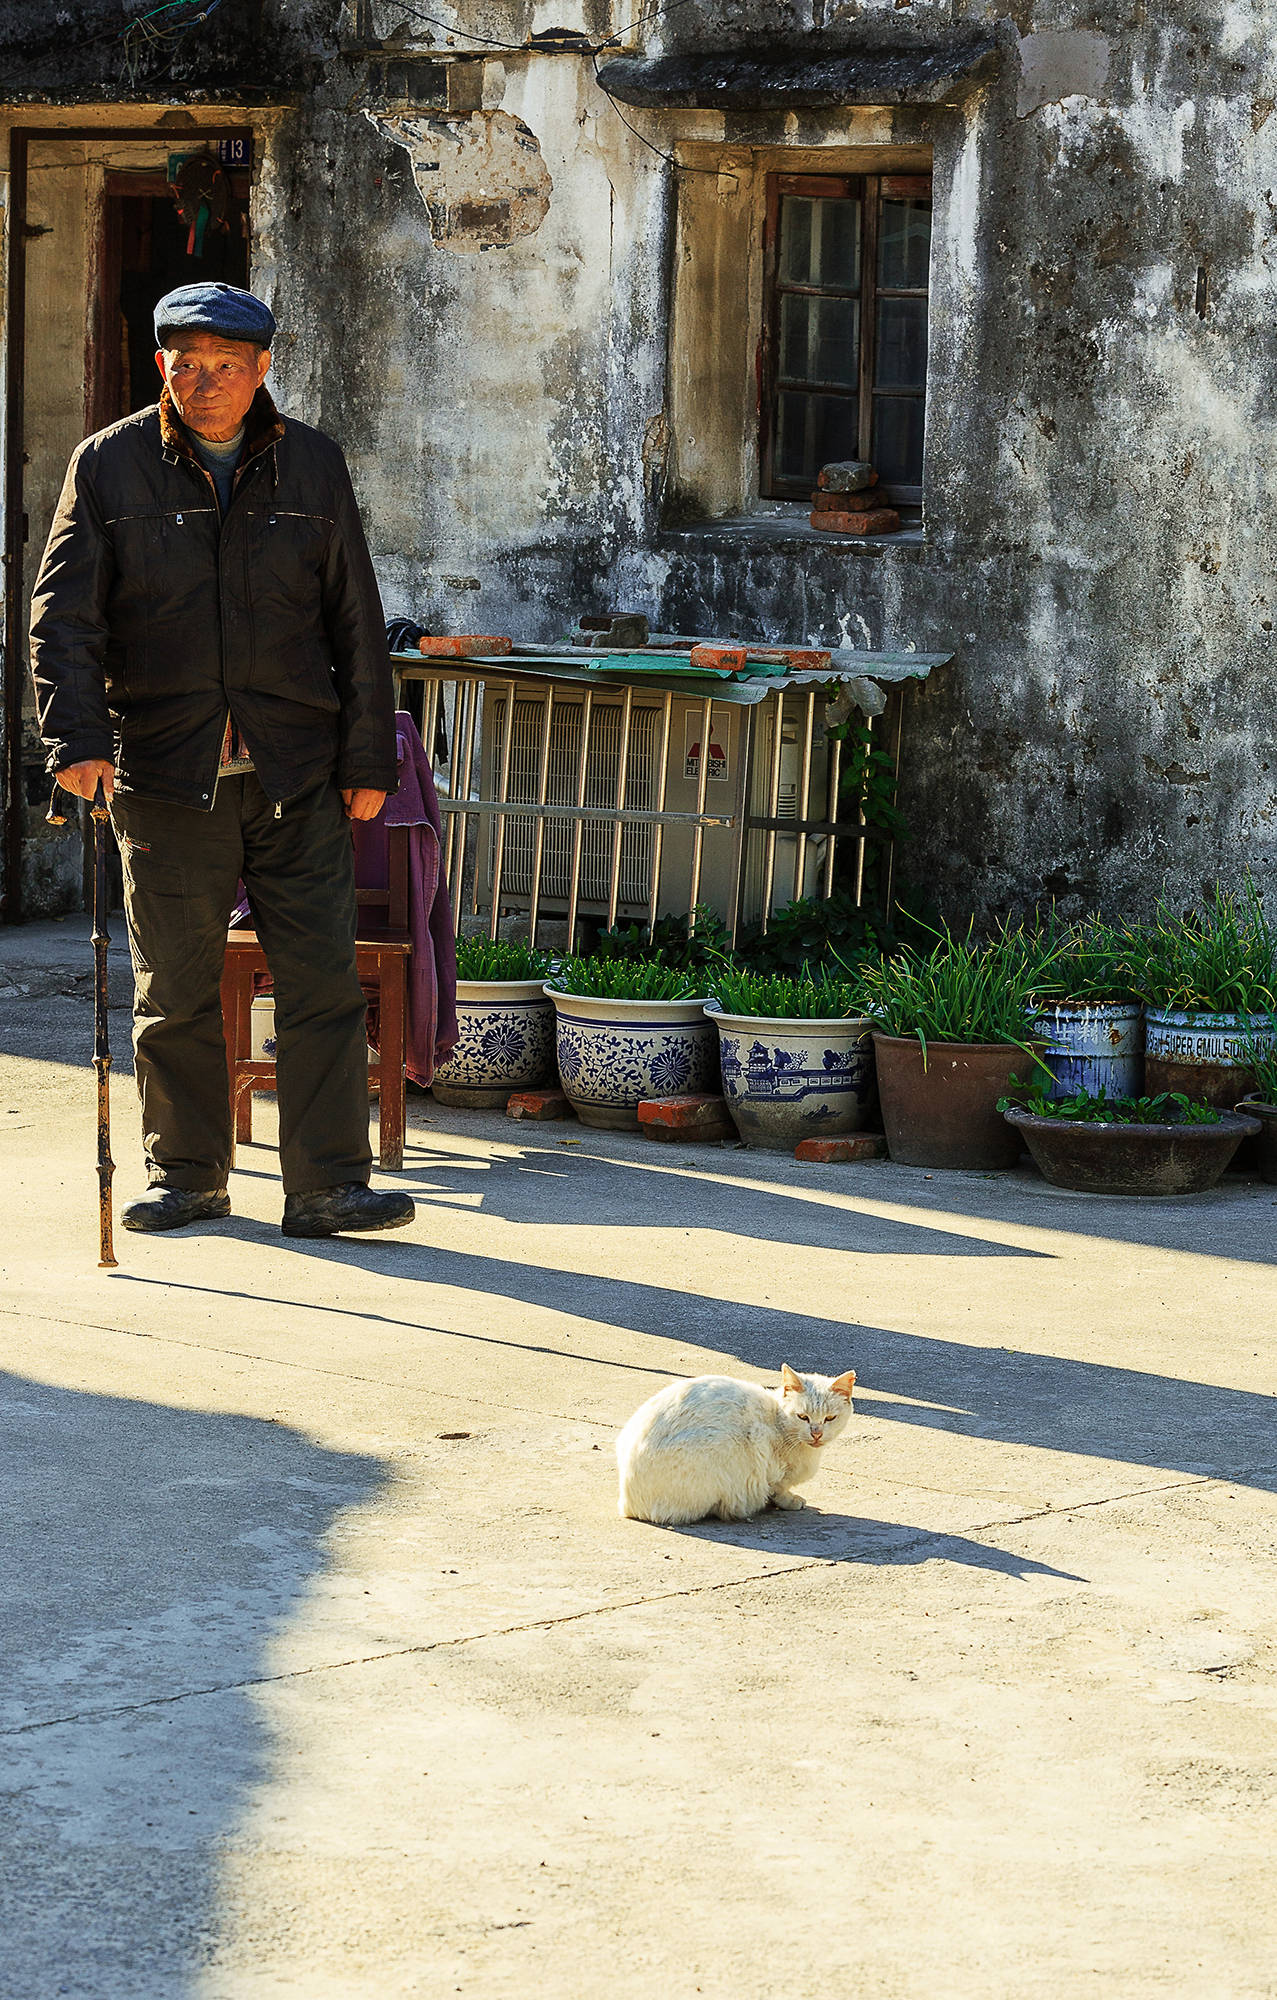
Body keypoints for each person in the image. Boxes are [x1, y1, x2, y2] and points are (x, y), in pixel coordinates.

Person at [30, 280, 416, 1240]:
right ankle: (188, 1177)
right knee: (175, 990)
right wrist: (74, 742)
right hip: (164, 772)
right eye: (186, 363)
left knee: (323, 984)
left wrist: (370, 759)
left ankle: (329, 1185)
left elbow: (356, 623)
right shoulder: (110, 465)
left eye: (227, 366)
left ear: (262, 370)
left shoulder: (314, 466)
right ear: (161, 364)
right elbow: (62, 619)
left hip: (297, 772)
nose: (205, 382)